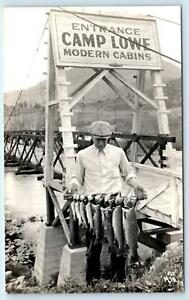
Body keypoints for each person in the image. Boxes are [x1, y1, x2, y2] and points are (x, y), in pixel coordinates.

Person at [68, 120, 145, 284]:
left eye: (105, 139)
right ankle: (92, 283)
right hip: (94, 205)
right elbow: (77, 178)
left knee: (118, 245)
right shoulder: (82, 155)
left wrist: (136, 185)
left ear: (109, 137)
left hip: (115, 204)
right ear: (91, 137)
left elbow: (128, 174)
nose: (101, 143)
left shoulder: (118, 152)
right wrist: (72, 187)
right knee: (93, 247)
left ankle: (118, 282)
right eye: (98, 140)